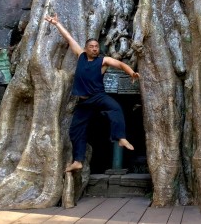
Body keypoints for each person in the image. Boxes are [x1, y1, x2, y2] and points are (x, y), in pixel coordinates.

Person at [45, 13, 139, 172]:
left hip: (98, 97)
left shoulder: (102, 61)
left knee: (115, 108)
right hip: (84, 102)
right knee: (75, 130)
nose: (95, 49)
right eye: (92, 47)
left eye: (97, 47)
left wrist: (131, 73)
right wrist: (56, 23)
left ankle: (120, 137)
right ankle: (78, 160)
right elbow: (69, 38)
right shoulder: (80, 56)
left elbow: (120, 64)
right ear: (86, 48)